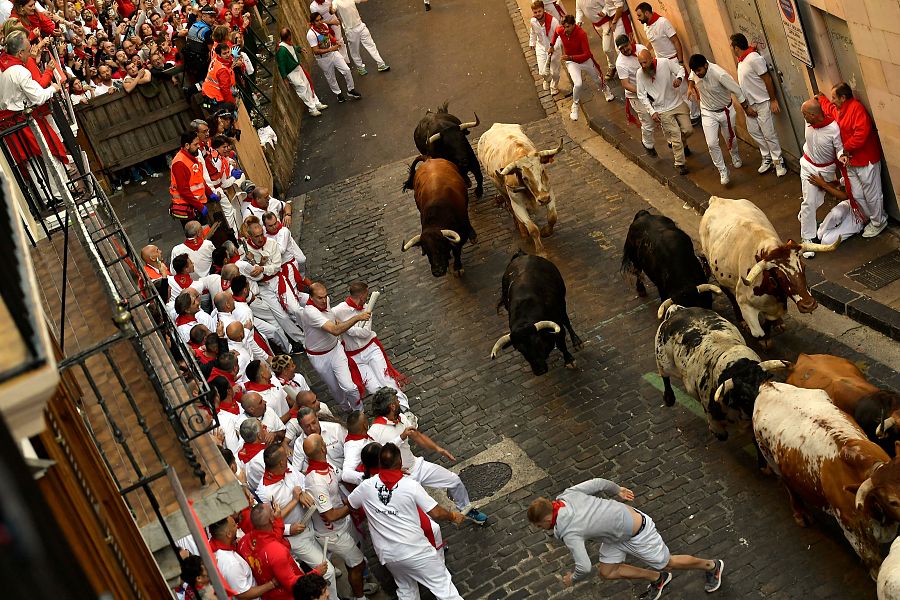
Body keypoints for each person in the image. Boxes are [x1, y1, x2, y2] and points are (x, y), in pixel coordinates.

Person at [528, 478, 724, 598]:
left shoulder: (571, 533)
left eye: (539, 525)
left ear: (547, 519)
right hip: (616, 535)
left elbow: (585, 567)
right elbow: (598, 483)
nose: (540, 529)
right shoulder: (567, 496)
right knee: (607, 572)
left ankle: (712, 566)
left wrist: (573, 578)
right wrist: (617, 490)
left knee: (668, 563)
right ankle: (658, 578)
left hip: (639, 533)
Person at [347, 443, 466, 599]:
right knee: (444, 588)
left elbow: (351, 504)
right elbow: (436, 512)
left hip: (389, 555)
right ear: (400, 462)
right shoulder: (410, 485)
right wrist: (453, 516)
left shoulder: (366, 486)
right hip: (415, 549)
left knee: (407, 590)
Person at [368, 387, 488, 524]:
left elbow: (418, 437)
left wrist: (439, 449)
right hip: (401, 478)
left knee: (454, 480)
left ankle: (466, 509)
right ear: (392, 406)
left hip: (416, 465)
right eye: (396, 400)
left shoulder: (401, 418)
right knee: (424, 516)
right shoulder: (375, 432)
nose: (399, 402)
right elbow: (374, 459)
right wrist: (395, 466)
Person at [254, 445, 340, 599]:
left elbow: (303, 482)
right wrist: (288, 529)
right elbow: (268, 523)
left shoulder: (289, 469)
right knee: (329, 572)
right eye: (285, 457)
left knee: (325, 560)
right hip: (295, 538)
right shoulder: (264, 492)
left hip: (312, 525)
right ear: (281, 462)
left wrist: (303, 492)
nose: (288, 458)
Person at [303, 434, 378, 600]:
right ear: (323, 449)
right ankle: (360, 597)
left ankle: (357, 588)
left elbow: (341, 478)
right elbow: (330, 515)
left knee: (354, 562)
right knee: (358, 563)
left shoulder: (325, 464)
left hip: (343, 524)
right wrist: (353, 504)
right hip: (333, 534)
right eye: (324, 443)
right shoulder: (316, 481)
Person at [818, 83, 888, 238]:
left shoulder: (857, 108)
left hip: (865, 160)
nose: (832, 101)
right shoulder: (839, 109)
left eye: (834, 97)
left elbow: (861, 134)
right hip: (852, 162)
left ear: (843, 98)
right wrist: (821, 99)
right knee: (857, 194)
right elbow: (829, 108)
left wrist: (844, 149)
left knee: (872, 195)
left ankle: (879, 222)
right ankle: (872, 218)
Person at [332, 281, 409, 407]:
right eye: (366, 295)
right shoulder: (337, 311)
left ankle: (404, 407)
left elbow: (365, 333)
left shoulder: (367, 308)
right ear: (361, 296)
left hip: (371, 349)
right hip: (355, 357)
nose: (367, 298)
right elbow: (329, 322)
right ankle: (389, 409)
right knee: (373, 388)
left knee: (386, 380)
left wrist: (345, 327)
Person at [299, 282, 371, 412]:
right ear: (311, 298)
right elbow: (335, 330)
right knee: (335, 389)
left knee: (349, 387)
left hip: (335, 349)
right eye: (320, 298)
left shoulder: (326, 301)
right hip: (319, 357)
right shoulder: (310, 312)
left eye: (325, 296)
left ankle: (359, 411)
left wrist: (337, 321)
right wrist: (357, 318)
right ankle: (346, 408)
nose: (324, 300)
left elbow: (331, 317)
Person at [238, 502, 329, 600]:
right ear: (271, 519)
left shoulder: (243, 542)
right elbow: (293, 585)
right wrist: (316, 573)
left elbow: (271, 538)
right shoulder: (276, 551)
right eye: (272, 511)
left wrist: (277, 520)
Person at [686, 54, 750, 187]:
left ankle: (734, 155)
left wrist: (746, 108)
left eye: (699, 71)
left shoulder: (719, 74)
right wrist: (690, 87)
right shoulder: (695, 71)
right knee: (711, 143)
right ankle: (722, 170)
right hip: (708, 112)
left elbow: (737, 90)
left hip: (725, 111)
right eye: (695, 71)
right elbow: (691, 76)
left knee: (729, 138)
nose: (697, 74)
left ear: (705, 65)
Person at [729, 33, 786, 177]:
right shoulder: (742, 60)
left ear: (736, 48)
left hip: (763, 102)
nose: (731, 48)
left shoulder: (754, 58)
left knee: (769, 134)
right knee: (754, 131)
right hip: (751, 104)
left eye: (731, 46)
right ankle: (767, 157)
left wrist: (773, 100)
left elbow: (767, 79)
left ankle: (778, 162)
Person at [634, 2, 698, 123]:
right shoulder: (646, 26)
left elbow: (676, 41)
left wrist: (680, 62)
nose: (638, 18)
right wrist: (644, 52)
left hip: (672, 60)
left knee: (683, 90)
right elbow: (652, 42)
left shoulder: (663, 23)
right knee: (671, 90)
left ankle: (695, 114)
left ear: (646, 13)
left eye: (639, 15)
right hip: (660, 64)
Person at [799, 98, 845, 258]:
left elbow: (839, 149)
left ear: (813, 115)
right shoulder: (808, 121)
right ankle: (807, 239)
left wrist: (842, 156)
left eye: (805, 114)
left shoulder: (833, 128)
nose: (803, 117)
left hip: (825, 170)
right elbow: (819, 99)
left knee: (816, 201)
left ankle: (805, 216)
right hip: (807, 166)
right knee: (809, 202)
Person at [635, 48, 692, 174]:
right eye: (640, 63)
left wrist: (679, 79)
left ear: (651, 58)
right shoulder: (640, 74)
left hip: (677, 103)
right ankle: (680, 163)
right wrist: (652, 111)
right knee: (675, 134)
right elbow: (641, 95)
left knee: (688, 130)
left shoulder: (665, 62)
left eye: (645, 62)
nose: (643, 66)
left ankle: (681, 144)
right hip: (661, 109)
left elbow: (680, 69)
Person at [550, 14, 615, 121]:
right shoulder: (561, 30)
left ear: (573, 25)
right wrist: (551, 45)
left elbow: (587, 54)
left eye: (568, 27)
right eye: (564, 27)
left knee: (597, 79)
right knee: (578, 84)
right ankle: (575, 105)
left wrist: (570, 57)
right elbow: (556, 33)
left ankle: (606, 90)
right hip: (572, 62)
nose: (565, 30)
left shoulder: (581, 34)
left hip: (585, 61)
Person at [209, 515, 281, 599]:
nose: (237, 526)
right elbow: (243, 594)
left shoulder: (212, 547)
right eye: (234, 525)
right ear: (229, 534)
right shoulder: (231, 564)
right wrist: (272, 584)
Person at [263, 211, 309, 319]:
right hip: (278, 270)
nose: (274, 227)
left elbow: (281, 250)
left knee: (292, 294)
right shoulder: (265, 236)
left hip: (288, 267)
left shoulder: (284, 231)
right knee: (292, 295)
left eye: (275, 223)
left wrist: (264, 254)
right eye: (270, 225)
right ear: (265, 226)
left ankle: (306, 313)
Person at [306, 12, 360, 103]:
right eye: (317, 21)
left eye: (321, 19)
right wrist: (330, 49)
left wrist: (335, 41)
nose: (320, 22)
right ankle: (338, 94)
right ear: (312, 22)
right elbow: (315, 50)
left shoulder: (324, 26)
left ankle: (351, 89)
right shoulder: (311, 34)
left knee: (346, 70)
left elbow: (328, 35)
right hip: (323, 59)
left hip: (333, 53)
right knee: (330, 77)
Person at [615, 35, 654, 156]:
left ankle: (671, 142)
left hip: (651, 89)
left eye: (626, 46)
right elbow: (626, 84)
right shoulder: (620, 63)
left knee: (663, 115)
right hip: (636, 96)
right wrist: (642, 92)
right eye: (621, 49)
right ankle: (648, 144)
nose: (625, 50)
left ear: (630, 42)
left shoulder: (641, 49)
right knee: (648, 120)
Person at [575, 0, 633, 80]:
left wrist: (607, 15)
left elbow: (607, 5)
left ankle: (619, 67)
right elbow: (578, 10)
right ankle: (615, 66)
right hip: (597, 25)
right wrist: (578, 21)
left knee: (608, 48)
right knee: (610, 47)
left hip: (606, 23)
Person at [276, 27, 327, 117]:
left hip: (297, 68)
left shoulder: (287, 44)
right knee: (302, 88)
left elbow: (292, 49)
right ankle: (312, 108)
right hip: (292, 72)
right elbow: (281, 65)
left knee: (307, 85)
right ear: (289, 37)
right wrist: (285, 78)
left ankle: (316, 103)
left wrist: (299, 49)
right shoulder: (281, 50)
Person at [170, 130, 216, 224]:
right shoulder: (179, 163)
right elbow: (184, 191)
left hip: (195, 205)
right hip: (187, 209)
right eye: (195, 144)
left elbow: (199, 179)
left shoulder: (191, 158)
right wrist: (200, 207)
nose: (198, 146)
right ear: (187, 145)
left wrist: (210, 193)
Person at [332, 0, 389, 76]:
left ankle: (381, 64)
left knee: (371, 45)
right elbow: (332, 10)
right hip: (350, 30)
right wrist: (330, 8)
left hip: (361, 25)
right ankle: (360, 67)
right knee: (355, 50)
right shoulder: (335, 2)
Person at [807, 174, 866, 245]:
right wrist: (822, 183)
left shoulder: (866, 178)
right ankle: (819, 234)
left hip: (859, 218)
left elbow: (844, 196)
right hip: (850, 205)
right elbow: (838, 183)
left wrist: (824, 185)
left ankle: (823, 229)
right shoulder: (852, 173)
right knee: (836, 213)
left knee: (826, 241)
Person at [288, 407, 346, 472]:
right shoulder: (299, 444)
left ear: (317, 418)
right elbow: (296, 470)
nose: (312, 428)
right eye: (307, 426)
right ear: (300, 426)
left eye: (314, 422)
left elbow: (351, 451)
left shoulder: (336, 429)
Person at [529, 0, 561, 95]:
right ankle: (547, 80)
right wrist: (532, 42)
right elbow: (533, 32)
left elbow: (560, 37)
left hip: (554, 50)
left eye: (539, 11)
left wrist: (554, 47)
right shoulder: (533, 21)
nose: (537, 14)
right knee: (542, 72)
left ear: (543, 10)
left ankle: (554, 86)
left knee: (555, 72)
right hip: (541, 47)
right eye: (535, 12)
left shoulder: (553, 21)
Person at [183, 5, 216, 88]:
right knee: (209, 81)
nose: (213, 19)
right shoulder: (206, 30)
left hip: (190, 59)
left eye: (214, 17)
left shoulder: (195, 24)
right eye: (210, 17)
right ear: (204, 16)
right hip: (200, 62)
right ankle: (191, 90)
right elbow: (212, 50)